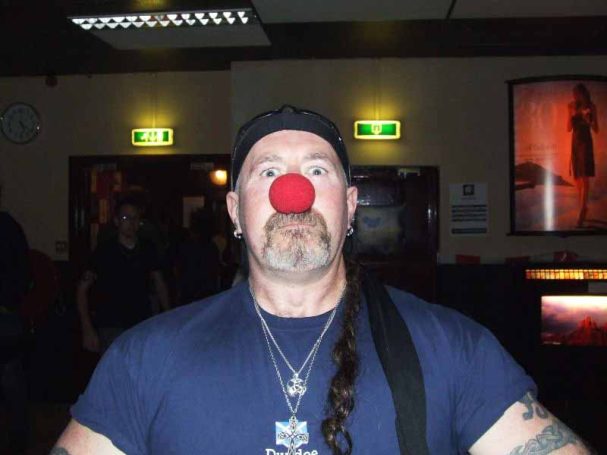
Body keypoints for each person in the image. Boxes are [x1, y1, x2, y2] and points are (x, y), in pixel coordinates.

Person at [54, 106, 593, 454]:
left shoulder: (454, 348)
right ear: (235, 211)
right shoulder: (144, 358)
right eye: (268, 172)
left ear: (351, 205)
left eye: (317, 170)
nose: (295, 192)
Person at [76, 197, 170, 353]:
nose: (131, 223)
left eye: (135, 218)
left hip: (141, 323)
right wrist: (87, 328)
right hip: (111, 325)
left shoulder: (147, 249)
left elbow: (160, 284)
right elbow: (82, 289)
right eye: (126, 218)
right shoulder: (105, 251)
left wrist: (168, 315)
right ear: (117, 221)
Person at [0, 188, 31, 453]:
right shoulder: (10, 227)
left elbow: (22, 272)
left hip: (5, 315)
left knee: (10, 376)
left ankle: (19, 439)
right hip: (8, 313)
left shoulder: (8, 228)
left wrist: (8, 302)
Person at [567, 83, 599, 227]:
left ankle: (582, 211)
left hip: (586, 143)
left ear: (583, 93)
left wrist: (588, 120)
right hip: (575, 143)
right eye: (573, 94)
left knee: (584, 176)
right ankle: (584, 207)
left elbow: (596, 129)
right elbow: (568, 128)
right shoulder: (571, 106)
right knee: (577, 177)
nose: (574, 96)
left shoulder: (591, 106)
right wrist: (571, 114)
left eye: (577, 94)